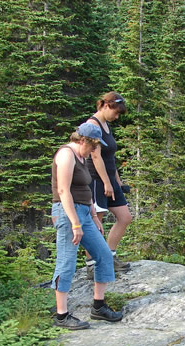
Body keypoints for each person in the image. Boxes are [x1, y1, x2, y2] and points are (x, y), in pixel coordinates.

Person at [51, 122, 123, 330]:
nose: (94, 149)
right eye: (92, 145)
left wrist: (93, 216)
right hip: (67, 213)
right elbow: (64, 192)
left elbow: (84, 189)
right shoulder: (66, 155)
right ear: (82, 140)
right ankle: (62, 315)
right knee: (67, 261)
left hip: (83, 212)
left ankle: (98, 307)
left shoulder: (81, 157)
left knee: (103, 254)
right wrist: (75, 223)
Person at [85, 92, 131, 278]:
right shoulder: (92, 125)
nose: (117, 116)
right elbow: (95, 156)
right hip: (96, 179)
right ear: (105, 106)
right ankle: (92, 264)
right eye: (116, 112)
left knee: (125, 216)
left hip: (109, 178)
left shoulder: (106, 124)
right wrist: (105, 182)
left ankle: (109, 255)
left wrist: (117, 181)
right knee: (97, 221)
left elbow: (109, 157)